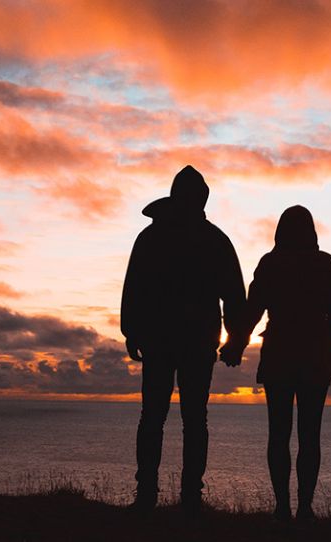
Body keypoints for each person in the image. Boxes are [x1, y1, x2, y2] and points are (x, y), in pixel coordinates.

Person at [121, 165, 246, 515]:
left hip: (166, 339)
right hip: (190, 340)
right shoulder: (213, 239)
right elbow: (234, 295)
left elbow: (134, 288)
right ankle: (184, 496)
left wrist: (131, 329)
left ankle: (155, 494)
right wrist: (235, 340)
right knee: (189, 419)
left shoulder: (153, 237)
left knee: (157, 418)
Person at [228, 205, 331, 522]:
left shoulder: (271, 264)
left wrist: (235, 345)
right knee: (309, 436)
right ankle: (303, 508)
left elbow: (252, 312)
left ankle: (284, 508)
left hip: (281, 356)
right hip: (314, 359)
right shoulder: (325, 264)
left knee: (279, 434)